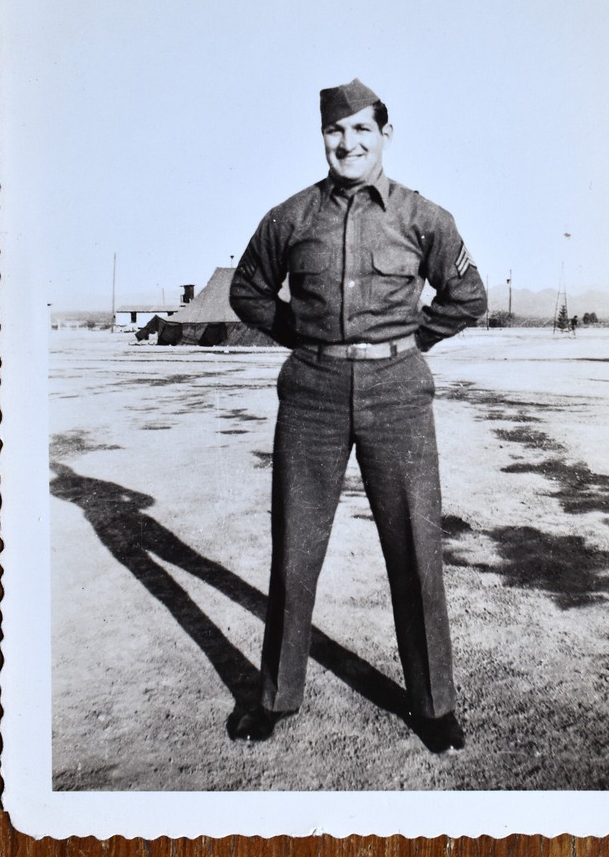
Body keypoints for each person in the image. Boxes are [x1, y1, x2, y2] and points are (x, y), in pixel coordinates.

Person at [229, 79, 487, 752]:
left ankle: (433, 706)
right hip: (310, 395)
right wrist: (306, 337)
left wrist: (407, 344)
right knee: (296, 549)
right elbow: (247, 290)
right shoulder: (289, 217)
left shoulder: (421, 217)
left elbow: (467, 296)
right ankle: (275, 698)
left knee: (413, 547)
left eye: (360, 132)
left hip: (397, 395)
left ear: (385, 136)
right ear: (323, 139)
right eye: (334, 133)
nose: (346, 144)